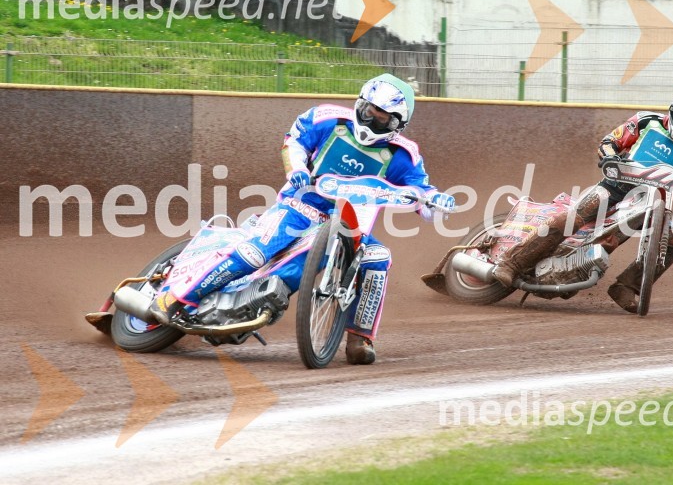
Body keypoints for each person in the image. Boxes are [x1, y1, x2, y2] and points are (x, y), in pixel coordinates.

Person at [151, 73, 455, 364]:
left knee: (378, 257)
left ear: (397, 124)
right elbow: (293, 140)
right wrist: (296, 169)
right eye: (367, 109)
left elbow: (422, 196)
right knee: (256, 252)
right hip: (298, 207)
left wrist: (436, 203)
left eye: (381, 116)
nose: (370, 118)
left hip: (349, 226)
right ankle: (176, 298)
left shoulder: (405, 155)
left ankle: (359, 339)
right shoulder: (326, 118)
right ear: (358, 103)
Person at [492, 84, 673, 312]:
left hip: (651, 205)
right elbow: (609, 143)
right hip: (614, 187)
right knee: (575, 218)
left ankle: (626, 287)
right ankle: (512, 263)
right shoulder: (646, 121)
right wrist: (610, 157)